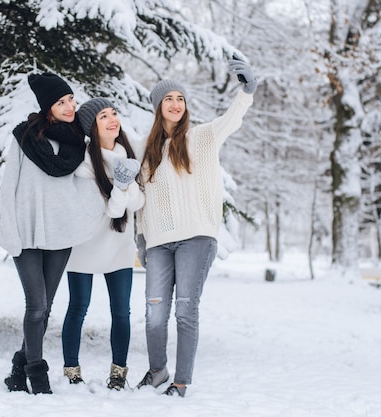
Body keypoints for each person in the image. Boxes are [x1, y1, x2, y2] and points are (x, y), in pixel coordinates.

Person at [135, 56, 257, 397]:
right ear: (158, 107)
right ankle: (158, 371)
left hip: (196, 239)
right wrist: (142, 240)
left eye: (180, 98)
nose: (175, 104)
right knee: (155, 314)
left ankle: (181, 382)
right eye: (168, 99)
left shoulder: (203, 137)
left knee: (186, 310)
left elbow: (233, 119)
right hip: (158, 243)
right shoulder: (148, 152)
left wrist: (247, 90)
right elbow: (141, 202)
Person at [0, 72, 105, 395]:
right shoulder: (24, 138)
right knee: (36, 306)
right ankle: (37, 375)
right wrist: (10, 232)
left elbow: (89, 185)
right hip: (27, 233)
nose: (70, 106)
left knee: (44, 308)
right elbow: (8, 188)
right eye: (61, 102)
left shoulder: (79, 145)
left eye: (71, 99)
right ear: (48, 107)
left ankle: (17, 371)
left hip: (59, 236)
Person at [61, 98, 144, 390]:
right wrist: (121, 187)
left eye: (113, 114)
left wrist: (125, 185)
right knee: (78, 306)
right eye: (102, 117)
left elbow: (138, 201)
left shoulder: (128, 155)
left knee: (121, 310)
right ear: (91, 128)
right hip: (85, 243)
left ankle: (118, 372)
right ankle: (71, 369)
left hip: (118, 244)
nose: (112, 120)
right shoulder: (83, 163)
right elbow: (110, 210)